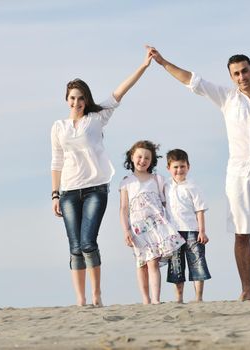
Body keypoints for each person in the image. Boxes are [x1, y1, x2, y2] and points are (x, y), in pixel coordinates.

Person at [148, 46, 250, 300]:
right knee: (242, 234)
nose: (242, 77)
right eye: (236, 74)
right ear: (231, 77)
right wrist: (163, 62)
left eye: (245, 71)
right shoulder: (227, 97)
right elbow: (192, 80)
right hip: (238, 175)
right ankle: (247, 290)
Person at [51, 49, 152, 307]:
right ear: (66, 99)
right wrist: (54, 194)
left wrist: (143, 65)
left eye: (81, 98)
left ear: (87, 100)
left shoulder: (97, 117)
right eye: (73, 98)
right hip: (68, 192)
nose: (77, 102)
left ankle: (96, 296)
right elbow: (57, 162)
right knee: (75, 246)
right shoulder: (58, 128)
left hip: (96, 188)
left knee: (87, 241)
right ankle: (81, 300)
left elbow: (120, 91)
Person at [119, 140, 185, 304]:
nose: (143, 160)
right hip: (138, 230)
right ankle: (145, 299)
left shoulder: (157, 179)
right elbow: (123, 209)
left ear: (152, 160)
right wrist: (126, 230)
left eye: (147, 158)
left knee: (153, 262)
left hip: (157, 227)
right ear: (132, 157)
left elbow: (166, 203)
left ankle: (156, 299)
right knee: (141, 264)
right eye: (139, 156)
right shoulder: (127, 182)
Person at [164, 149, 211, 303]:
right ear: (169, 168)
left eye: (182, 166)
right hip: (173, 232)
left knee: (197, 262)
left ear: (188, 167)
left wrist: (202, 231)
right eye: (175, 167)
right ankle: (179, 298)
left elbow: (199, 210)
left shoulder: (193, 186)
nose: (179, 170)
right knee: (176, 265)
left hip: (192, 231)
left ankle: (198, 297)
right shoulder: (166, 187)